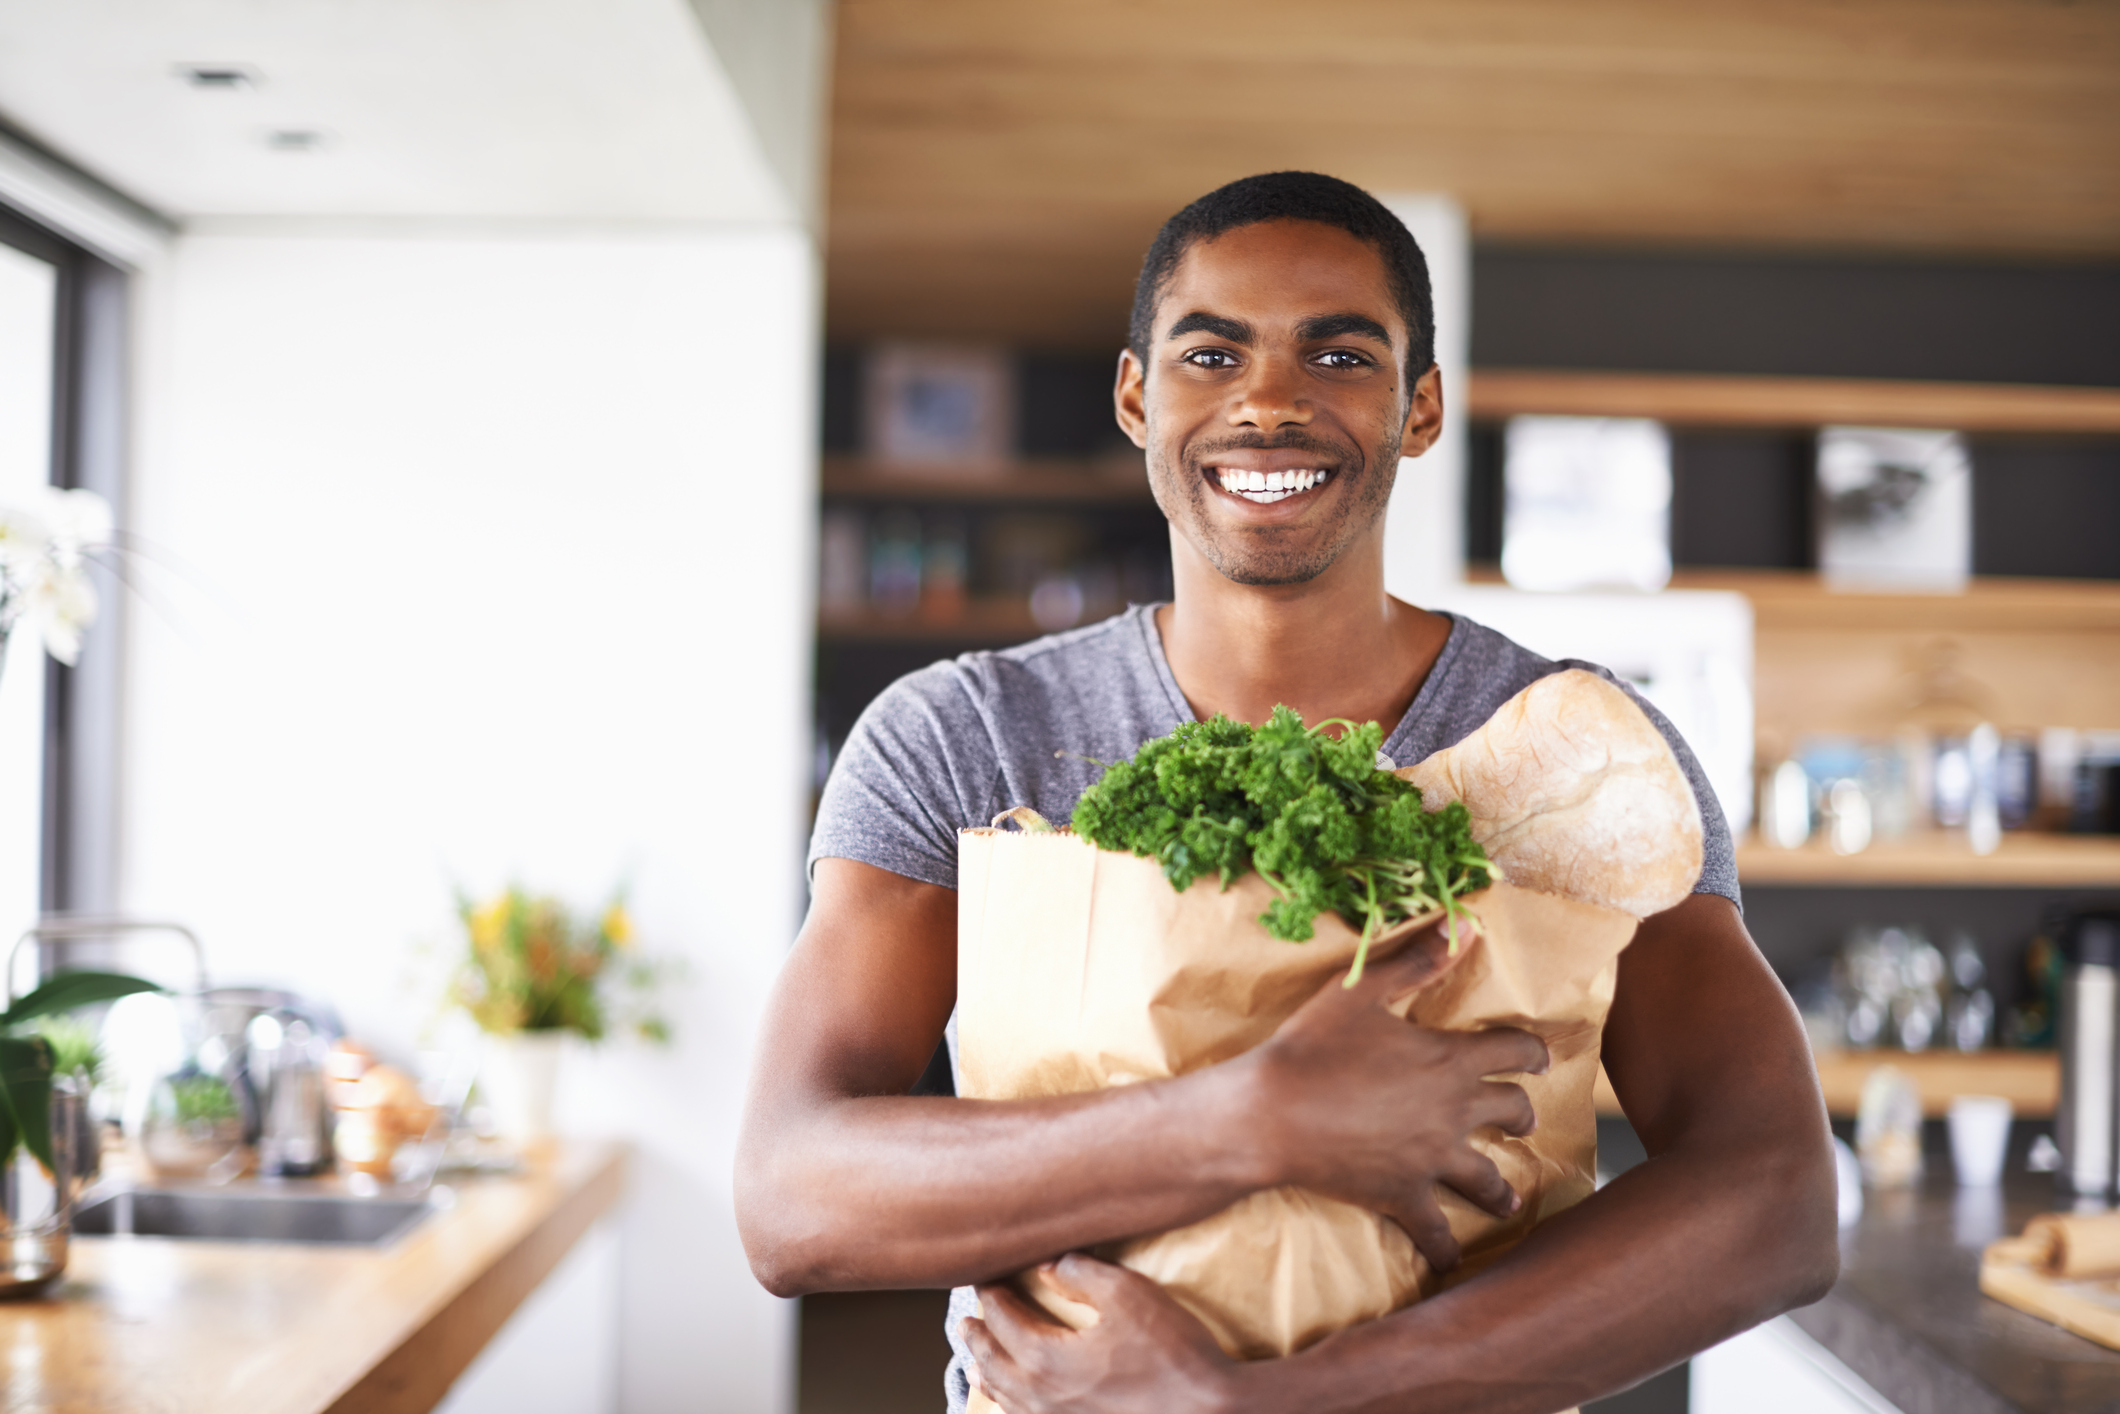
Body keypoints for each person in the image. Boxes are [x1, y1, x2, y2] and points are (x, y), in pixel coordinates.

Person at [736, 171, 1836, 1414]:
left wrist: (1263, 1403)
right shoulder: (966, 737)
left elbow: (1777, 1200)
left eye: (1339, 355)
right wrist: (1252, 1120)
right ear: (1134, 397)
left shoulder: (1576, 754)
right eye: (1210, 353)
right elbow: (790, 1198)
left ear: (1418, 409)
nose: (1268, 400)